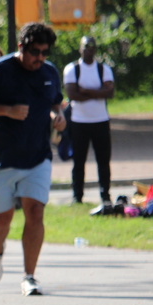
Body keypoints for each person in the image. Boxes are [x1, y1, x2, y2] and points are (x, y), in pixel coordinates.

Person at [0, 22, 66, 297]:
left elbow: (54, 101)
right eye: (35, 52)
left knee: (35, 212)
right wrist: (7, 110)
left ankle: (29, 276)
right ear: (21, 47)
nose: (40, 58)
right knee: (2, 219)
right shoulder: (0, 70)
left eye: (45, 52)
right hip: (1, 158)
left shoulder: (49, 72)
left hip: (37, 156)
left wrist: (57, 116)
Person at [63, 36, 115, 211]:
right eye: (86, 46)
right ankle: (77, 196)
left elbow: (110, 93)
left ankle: (105, 195)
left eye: (92, 47)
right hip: (79, 122)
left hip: (101, 121)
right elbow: (72, 94)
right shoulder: (72, 69)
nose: (89, 50)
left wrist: (84, 90)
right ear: (80, 48)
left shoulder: (104, 69)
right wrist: (98, 92)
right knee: (78, 161)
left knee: (103, 161)